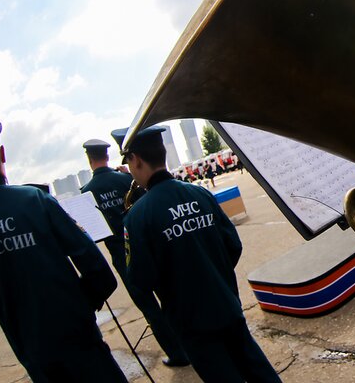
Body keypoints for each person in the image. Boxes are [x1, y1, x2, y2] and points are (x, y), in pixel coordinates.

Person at [0, 111, 126, 382]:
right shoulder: (35, 200)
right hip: (78, 339)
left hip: (34, 352)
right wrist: (79, 308)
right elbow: (97, 270)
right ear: (2, 154)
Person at [117, 125, 281, 383]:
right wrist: (214, 274)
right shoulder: (200, 193)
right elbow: (233, 245)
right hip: (226, 302)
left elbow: (140, 280)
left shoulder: (137, 217)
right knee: (258, 369)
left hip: (190, 321)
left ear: (135, 159)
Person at [80, 138, 189, 368]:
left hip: (121, 254)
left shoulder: (86, 193)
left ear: (89, 160)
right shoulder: (126, 178)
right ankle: (189, 341)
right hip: (149, 244)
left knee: (149, 306)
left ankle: (176, 352)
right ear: (107, 156)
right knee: (168, 294)